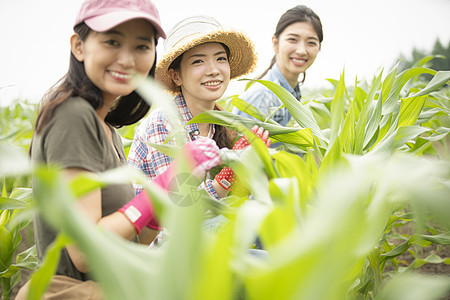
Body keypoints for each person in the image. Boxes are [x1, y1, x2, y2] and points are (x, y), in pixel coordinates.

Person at [17, 1, 223, 298]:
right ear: (79, 46)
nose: (127, 59)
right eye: (112, 41)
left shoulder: (107, 130)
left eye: (141, 46)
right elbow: (86, 252)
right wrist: (163, 184)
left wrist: (169, 195)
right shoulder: (73, 116)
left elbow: (128, 246)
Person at [128, 15, 271, 219]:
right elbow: (178, 219)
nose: (213, 70)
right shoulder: (164, 125)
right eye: (198, 61)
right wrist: (226, 180)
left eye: (220, 58)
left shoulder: (218, 124)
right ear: (176, 76)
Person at [233, 5, 323, 127]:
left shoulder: (291, 91)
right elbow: (241, 145)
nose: (302, 51)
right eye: (293, 39)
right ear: (275, 43)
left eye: (311, 43)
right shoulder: (264, 96)